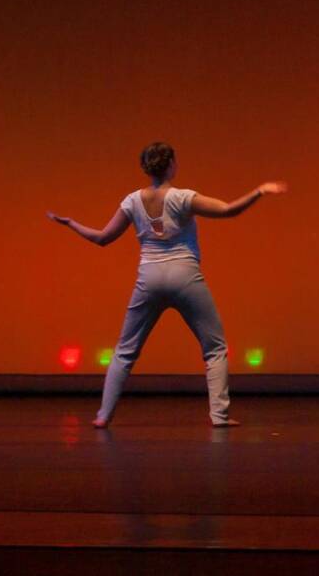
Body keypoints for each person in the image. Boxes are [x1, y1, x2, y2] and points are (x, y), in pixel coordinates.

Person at [47, 142, 287, 428]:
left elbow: (102, 238)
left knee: (125, 350)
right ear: (172, 164)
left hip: (149, 278)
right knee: (214, 347)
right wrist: (259, 191)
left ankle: (103, 416)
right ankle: (219, 415)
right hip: (185, 276)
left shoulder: (132, 201)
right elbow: (228, 210)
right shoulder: (183, 198)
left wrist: (72, 223)